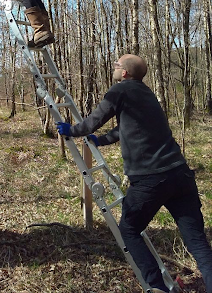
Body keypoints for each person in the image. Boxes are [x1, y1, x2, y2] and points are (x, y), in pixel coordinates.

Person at [56, 54, 212, 293]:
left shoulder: (119, 91)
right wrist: (103, 140)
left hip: (151, 179)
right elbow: (127, 127)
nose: (115, 68)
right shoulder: (147, 94)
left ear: (125, 72)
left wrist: (73, 130)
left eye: (117, 65)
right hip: (180, 175)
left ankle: (156, 286)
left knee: (128, 229)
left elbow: (94, 120)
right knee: (199, 245)